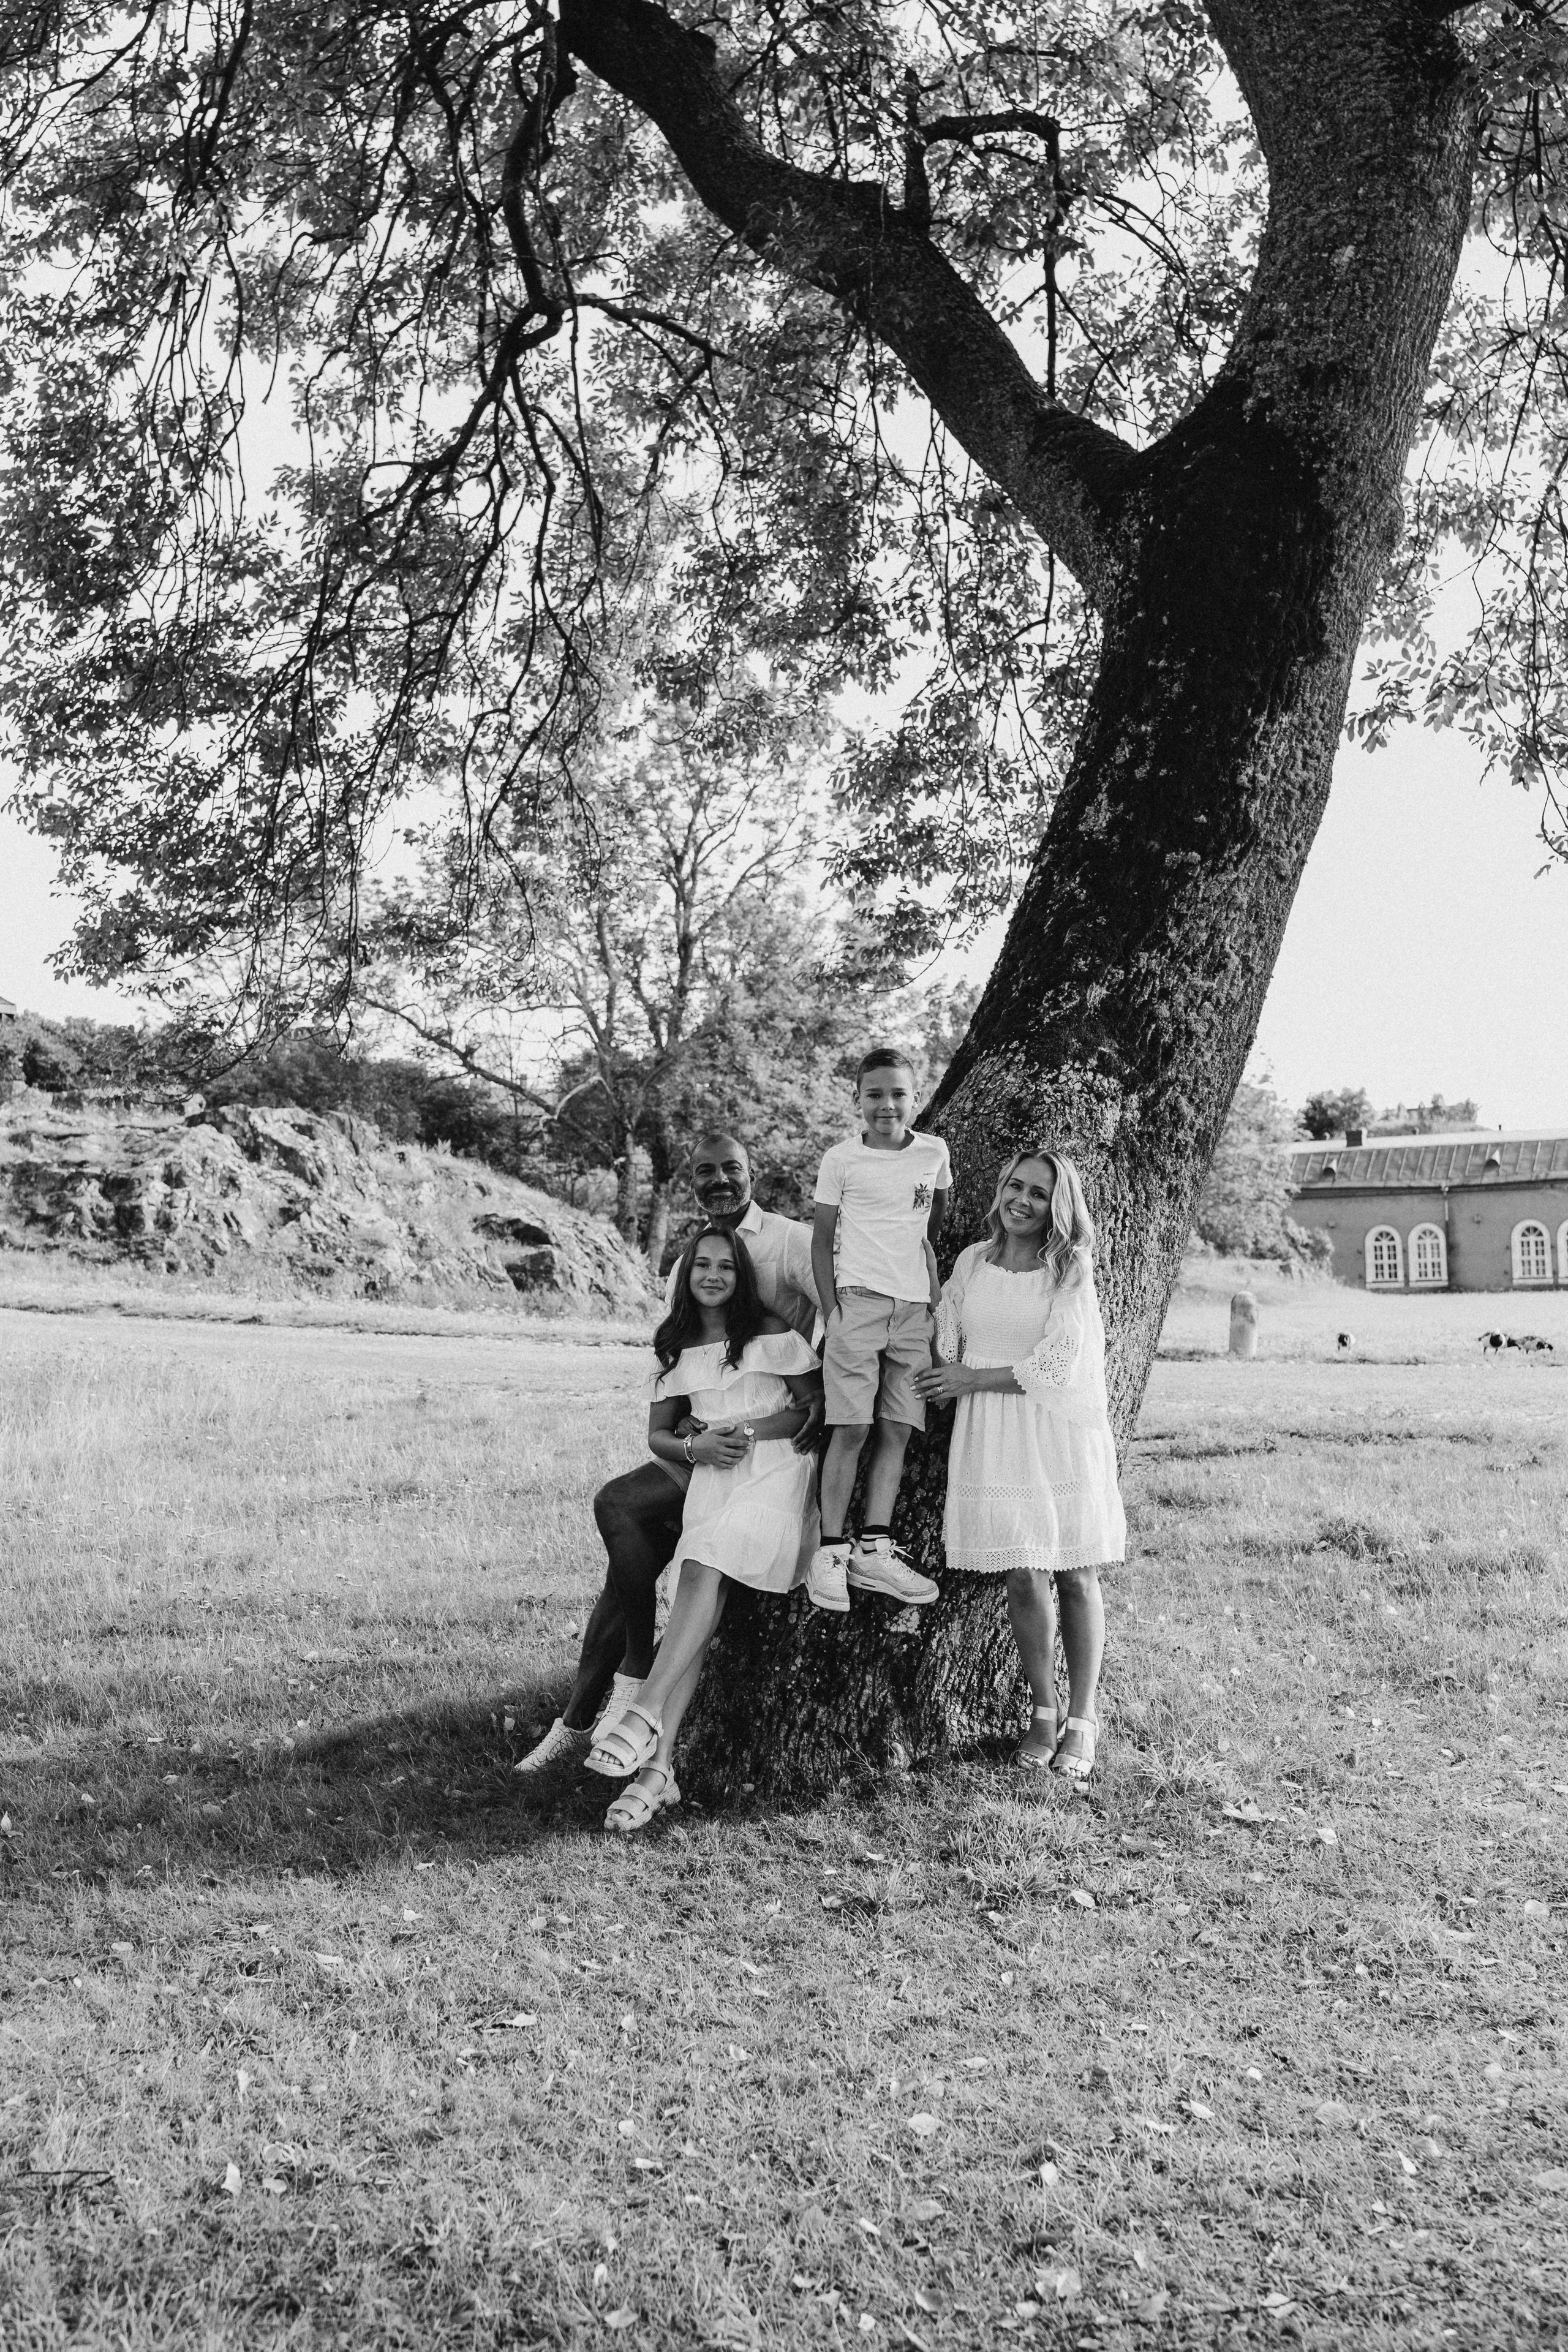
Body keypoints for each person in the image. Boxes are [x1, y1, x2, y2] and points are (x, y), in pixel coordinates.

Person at [513, 1132, 819, 1776]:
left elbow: (833, 1319)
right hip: (698, 1437)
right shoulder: (688, 1262)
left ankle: (627, 1681)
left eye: (731, 1169)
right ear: (690, 1182)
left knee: (624, 1516)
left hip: (763, 1439)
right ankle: (576, 1720)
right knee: (624, 1551)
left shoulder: (791, 1240)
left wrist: (820, 1406)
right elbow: (681, 1355)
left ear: (752, 1172)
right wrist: (689, 1439)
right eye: (704, 1172)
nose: (719, 1181)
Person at [585, 1224, 822, 1831]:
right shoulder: (676, 1341)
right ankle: (657, 1773)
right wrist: (696, 1449)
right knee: (696, 1589)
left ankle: (642, 1716)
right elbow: (659, 1434)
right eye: (701, 1266)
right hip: (712, 1476)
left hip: (775, 1473)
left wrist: (740, 1434)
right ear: (686, 1276)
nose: (713, 1275)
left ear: (741, 1276)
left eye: (726, 1266)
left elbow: (809, 1412)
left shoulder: (768, 1332)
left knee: (703, 1563)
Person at [911, 1148, 1125, 1781]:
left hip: (1055, 1426)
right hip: (992, 1435)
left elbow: (1059, 1363)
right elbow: (946, 1336)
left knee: (1075, 1574)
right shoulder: (972, 1261)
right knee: (1023, 1575)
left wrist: (969, 1377)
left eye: (1039, 1193)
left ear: (1058, 1206)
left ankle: (1082, 1719)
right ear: (999, 1189)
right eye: (1015, 1186)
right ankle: (1042, 1707)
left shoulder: (1068, 1268)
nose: (1023, 1201)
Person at [806, 1047, 948, 1613]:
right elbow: (822, 1239)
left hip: (913, 1310)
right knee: (851, 1428)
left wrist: (927, 1294)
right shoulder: (841, 1160)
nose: (887, 1105)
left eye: (898, 1094)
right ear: (858, 1100)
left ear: (916, 1098)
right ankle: (830, 1553)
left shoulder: (934, 1152)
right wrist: (834, 1308)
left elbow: (931, 1223)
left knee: (897, 1427)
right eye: (875, 1095)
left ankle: (875, 1549)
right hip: (856, 1305)